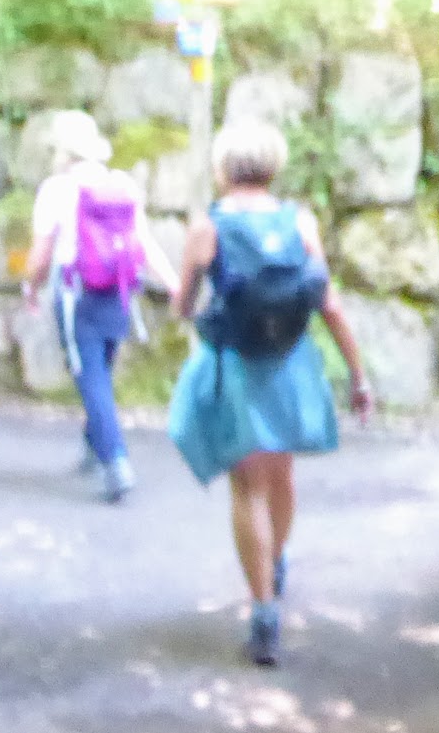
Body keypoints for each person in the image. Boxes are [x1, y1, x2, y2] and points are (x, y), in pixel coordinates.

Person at [168, 118, 372, 666]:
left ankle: (263, 614)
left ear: (222, 168)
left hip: (238, 365)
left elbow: (184, 306)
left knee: (248, 488)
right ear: (273, 166)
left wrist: (184, 299)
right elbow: (327, 302)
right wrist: (358, 375)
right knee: (282, 476)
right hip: (291, 364)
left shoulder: (207, 229)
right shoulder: (299, 222)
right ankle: (274, 563)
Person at [23, 111, 180, 502]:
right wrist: (175, 284)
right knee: (101, 373)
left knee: (90, 377)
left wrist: (31, 288)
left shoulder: (56, 190)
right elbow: (143, 245)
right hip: (118, 293)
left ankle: (116, 460)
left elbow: (40, 257)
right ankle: (95, 446)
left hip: (76, 295)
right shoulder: (122, 185)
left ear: (62, 151)